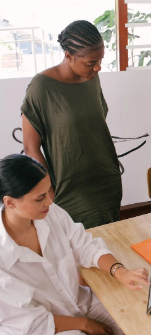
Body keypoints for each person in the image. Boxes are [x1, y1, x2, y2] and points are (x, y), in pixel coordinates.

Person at [0, 154, 149, 335]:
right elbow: (28, 320)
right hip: (42, 327)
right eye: (39, 198)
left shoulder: (50, 213)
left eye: (49, 191)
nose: (49, 201)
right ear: (9, 202)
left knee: (140, 319)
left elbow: (85, 246)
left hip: (79, 302)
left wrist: (120, 271)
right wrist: (85, 324)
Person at [21, 20, 121, 229]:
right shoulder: (41, 87)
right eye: (91, 62)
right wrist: (48, 190)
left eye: (100, 60)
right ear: (69, 56)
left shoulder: (92, 78)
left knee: (110, 240)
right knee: (79, 246)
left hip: (106, 178)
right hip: (70, 186)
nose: (97, 67)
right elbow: (31, 147)